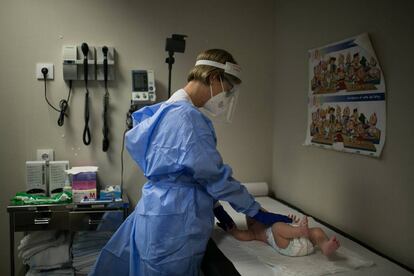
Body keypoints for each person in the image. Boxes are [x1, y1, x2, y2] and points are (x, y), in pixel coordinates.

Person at [89, 49, 294, 276]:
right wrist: (256, 211)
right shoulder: (188, 118)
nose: (225, 99)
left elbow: (192, 172)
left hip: (155, 211)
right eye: (227, 91)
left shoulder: (163, 112)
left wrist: (217, 208)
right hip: (177, 221)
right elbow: (215, 176)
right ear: (214, 78)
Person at [223, 212, 341, 257]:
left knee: (317, 231)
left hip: (304, 240)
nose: (254, 218)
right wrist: (234, 231)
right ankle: (299, 230)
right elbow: (243, 235)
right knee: (277, 227)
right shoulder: (254, 232)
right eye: (251, 218)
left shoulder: (271, 219)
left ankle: (325, 245)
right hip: (287, 246)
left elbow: (285, 225)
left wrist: (291, 221)